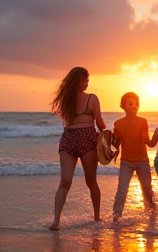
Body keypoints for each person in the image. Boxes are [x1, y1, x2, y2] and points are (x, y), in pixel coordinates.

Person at [49, 67, 106, 230]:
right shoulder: (65, 100)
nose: (87, 83)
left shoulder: (92, 98)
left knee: (91, 181)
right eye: (85, 80)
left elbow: (99, 122)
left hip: (87, 138)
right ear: (77, 80)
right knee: (65, 181)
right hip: (69, 139)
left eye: (88, 81)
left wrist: (105, 136)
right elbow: (67, 122)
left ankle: (97, 217)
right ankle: (56, 221)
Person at [112, 92, 154, 222]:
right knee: (122, 190)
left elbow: (147, 140)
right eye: (130, 104)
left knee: (147, 189)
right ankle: (116, 216)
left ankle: (152, 215)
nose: (134, 106)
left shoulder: (143, 122)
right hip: (126, 162)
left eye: (136, 104)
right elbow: (117, 143)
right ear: (123, 106)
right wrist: (110, 140)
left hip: (143, 161)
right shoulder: (117, 124)